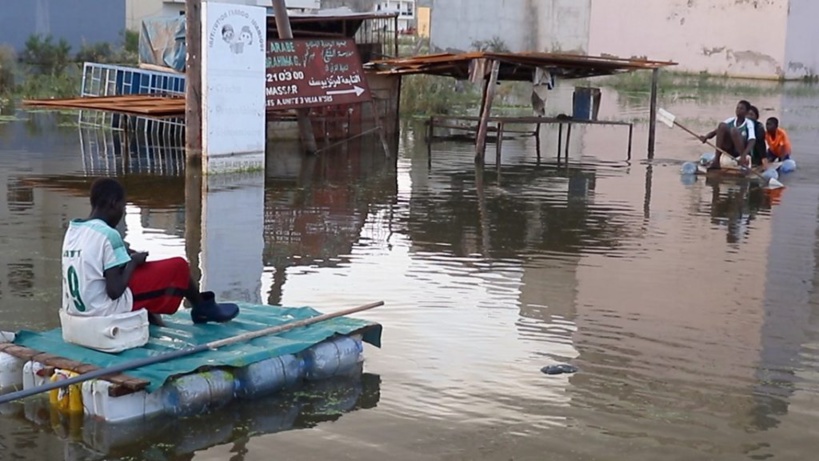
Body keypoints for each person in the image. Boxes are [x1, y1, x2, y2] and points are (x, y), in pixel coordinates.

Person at [61, 178, 239, 327]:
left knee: (144, 281)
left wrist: (127, 257)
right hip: (102, 310)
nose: (122, 213)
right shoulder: (109, 235)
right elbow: (114, 291)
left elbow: (95, 262)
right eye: (123, 207)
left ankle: (155, 318)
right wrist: (133, 262)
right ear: (114, 204)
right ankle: (202, 308)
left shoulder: (74, 230)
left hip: (77, 310)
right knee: (179, 266)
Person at [699, 100, 756, 170]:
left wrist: (744, 155)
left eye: (741, 109)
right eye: (737, 108)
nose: (738, 110)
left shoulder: (749, 123)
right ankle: (716, 160)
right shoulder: (731, 120)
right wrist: (706, 137)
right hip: (730, 149)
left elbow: (752, 140)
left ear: (746, 112)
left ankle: (742, 161)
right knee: (722, 125)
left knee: (734, 130)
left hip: (740, 152)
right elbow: (716, 131)